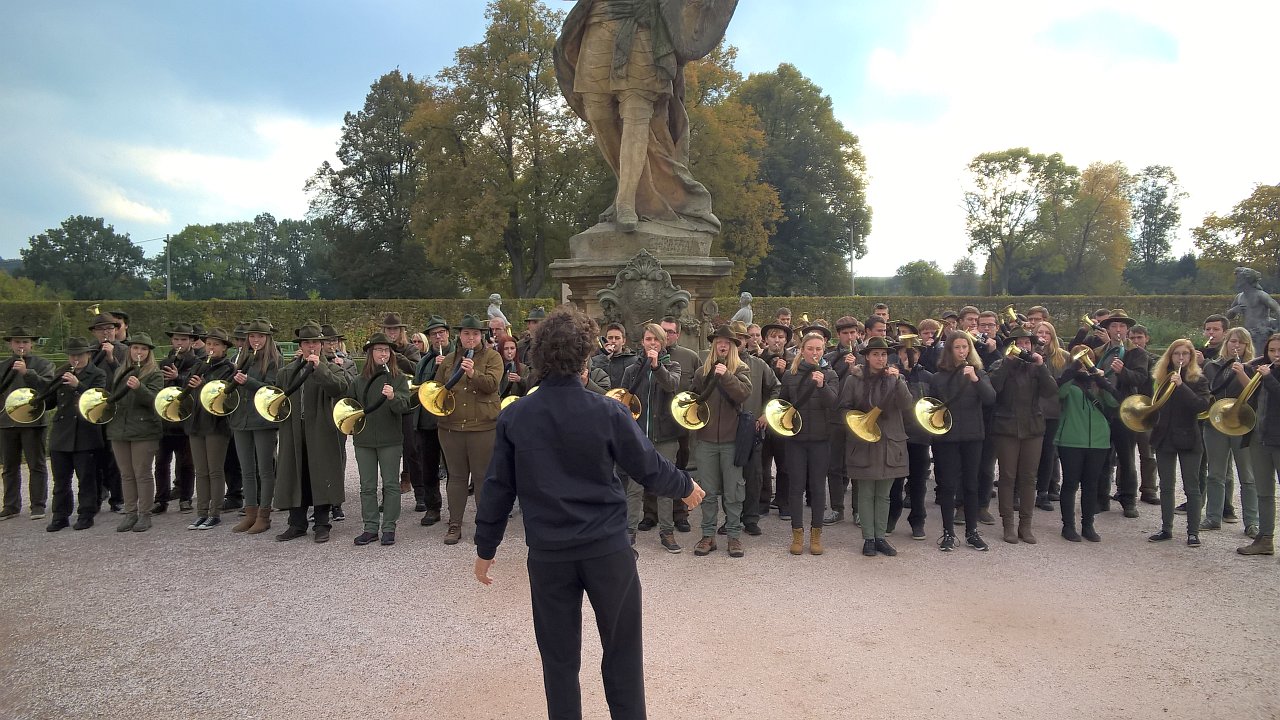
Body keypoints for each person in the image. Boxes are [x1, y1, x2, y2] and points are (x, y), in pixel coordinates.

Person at [473, 306, 703, 720]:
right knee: (623, 654)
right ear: (585, 358)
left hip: (550, 554)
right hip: (606, 550)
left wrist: (485, 547)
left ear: (539, 357)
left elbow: (497, 488)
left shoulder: (515, 416)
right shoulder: (608, 411)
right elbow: (648, 466)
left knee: (559, 662)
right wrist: (685, 486)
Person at [553, 0, 735, 234]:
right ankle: (634, 192)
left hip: (644, 25)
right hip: (599, 20)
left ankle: (627, 201)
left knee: (636, 111)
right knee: (597, 112)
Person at [273, 322, 350, 543]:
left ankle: (322, 524)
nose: (311, 346)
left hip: (321, 429)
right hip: (294, 429)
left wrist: (320, 369)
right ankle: (296, 524)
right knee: (295, 473)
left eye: (315, 342)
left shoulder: (332, 368)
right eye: (307, 343)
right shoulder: (287, 371)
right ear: (301, 345)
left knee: (321, 473)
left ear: (321, 344)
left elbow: (340, 388)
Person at [841, 336, 912, 557]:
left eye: (883, 354)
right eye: (875, 354)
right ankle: (868, 539)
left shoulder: (895, 378)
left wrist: (898, 381)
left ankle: (880, 537)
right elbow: (843, 408)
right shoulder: (854, 380)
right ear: (867, 357)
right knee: (865, 493)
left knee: (884, 495)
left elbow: (907, 404)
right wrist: (858, 424)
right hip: (863, 442)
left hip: (890, 443)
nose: (880, 358)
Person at [436, 314, 503, 545]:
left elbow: (492, 385)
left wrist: (474, 373)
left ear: (481, 336)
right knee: (456, 477)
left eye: (475, 334)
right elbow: (438, 390)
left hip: (482, 427)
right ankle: (455, 524)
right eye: (466, 333)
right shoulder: (449, 360)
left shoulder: (493, 357)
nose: (471, 338)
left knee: (483, 477)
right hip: (451, 427)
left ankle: (484, 526)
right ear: (460, 336)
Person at [927, 332, 996, 551]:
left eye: (965, 347)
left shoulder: (979, 373)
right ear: (950, 350)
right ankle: (948, 532)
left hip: (972, 436)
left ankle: (972, 532)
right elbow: (932, 408)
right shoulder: (938, 377)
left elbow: (990, 399)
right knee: (948, 485)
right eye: (957, 347)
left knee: (971, 485)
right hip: (947, 438)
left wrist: (975, 379)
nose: (961, 351)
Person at [988, 327, 1057, 544]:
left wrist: (1041, 366)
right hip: (1006, 428)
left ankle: (1025, 525)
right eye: (1019, 343)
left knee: (1029, 477)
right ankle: (1008, 524)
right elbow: (994, 389)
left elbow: (1051, 391)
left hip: (1033, 427)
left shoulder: (1037, 367)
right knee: (1007, 477)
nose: (1024, 347)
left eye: (1027, 343)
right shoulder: (1000, 364)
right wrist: (1007, 363)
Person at [618, 323, 683, 552]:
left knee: (665, 486)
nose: (652, 343)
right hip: (638, 437)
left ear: (663, 343)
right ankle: (629, 531)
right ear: (642, 342)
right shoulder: (631, 370)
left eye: (656, 339)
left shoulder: (672, 366)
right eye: (648, 339)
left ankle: (667, 532)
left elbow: (671, 385)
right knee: (635, 487)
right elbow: (624, 400)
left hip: (665, 437)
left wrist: (656, 367)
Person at [691, 325, 751, 558]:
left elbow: (743, 394)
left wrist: (726, 375)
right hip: (705, 441)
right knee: (707, 491)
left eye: (727, 342)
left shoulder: (741, 369)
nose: (722, 345)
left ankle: (734, 536)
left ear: (733, 346)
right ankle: (708, 536)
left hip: (732, 441)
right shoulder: (701, 372)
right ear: (714, 345)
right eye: (719, 342)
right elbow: (693, 399)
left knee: (734, 492)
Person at [348, 332, 411, 547]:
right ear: (371, 353)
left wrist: (393, 397)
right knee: (367, 486)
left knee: (391, 484)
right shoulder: (359, 380)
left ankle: (389, 527)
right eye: (378, 350)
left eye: (386, 350)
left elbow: (405, 406)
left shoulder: (398, 378)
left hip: (390, 440)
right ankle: (370, 528)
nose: (382, 353)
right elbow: (350, 407)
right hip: (364, 440)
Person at [1053, 348, 1121, 542]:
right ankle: (1068, 526)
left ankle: (1088, 525)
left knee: (1091, 485)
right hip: (1071, 439)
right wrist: (1073, 371)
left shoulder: (1098, 380)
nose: (1085, 362)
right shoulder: (1069, 379)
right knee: (1070, 483)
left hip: (1098, 441)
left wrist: (1102, 382)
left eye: (1088, 358)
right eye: (1080, 359)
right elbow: (1060, 393)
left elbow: (1114, 403)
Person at [1148, 339, 1210, 547]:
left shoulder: (1199, 379)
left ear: (1191, 357)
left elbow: (1201, 406)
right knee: (1166, 485)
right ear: (1170, 356)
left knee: (1191, 487)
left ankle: (1193, 532)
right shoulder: (1161, 377)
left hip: (1188, 437)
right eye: (1176, 354)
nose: (1180, 357)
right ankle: (1166, 528)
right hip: (1164, 436)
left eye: (1185, 354)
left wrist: (1182, 386)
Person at [779, 331, 837, 555]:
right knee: (796, 487)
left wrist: (822, 386)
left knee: (818, 488)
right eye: (810, 349)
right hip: (796, 440)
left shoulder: (830, 374)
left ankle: (816, 535)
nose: (814, 353)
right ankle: (797, 534)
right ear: (802, 350)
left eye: (818, 349)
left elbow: (833, 403)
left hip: (821, 440)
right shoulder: (790, 375)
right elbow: (783, 404)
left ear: (824, 351)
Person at [43, 336, 106, 532]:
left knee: (86, 478)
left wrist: (78, 385)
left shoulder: (97, 374)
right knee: (61, 480)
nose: (75, 359)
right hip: (62, 433)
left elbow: (98, 399)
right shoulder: (62, 373)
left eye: (79, 355)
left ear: (88, 355)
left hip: (85, 433)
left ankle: (86, 514)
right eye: (72, 355)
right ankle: (60, 515)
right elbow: (50, 401)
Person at [1200, 327, 1257, 532]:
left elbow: (1256, 393)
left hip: (1242, 424)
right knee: (1215, 473)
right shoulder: (1212, 366)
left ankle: (1252, 522)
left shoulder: (1253, 367)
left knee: (1247, 476)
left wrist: (1241, 373)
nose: (1236, 345)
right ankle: (1213, 518)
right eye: (1233, 341)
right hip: (1215, 423)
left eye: (1241, 342)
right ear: (1227, 343)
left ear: (1247, 346)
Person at [106, 334, 164, 533]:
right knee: (126, 474)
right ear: (129, 350)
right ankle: (130, 513)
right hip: (119, 428)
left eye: (143, 349)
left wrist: (140, 388)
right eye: (135, 348)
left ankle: (145, 514)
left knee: (142, 473)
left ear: (149, 353)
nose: (139, 352)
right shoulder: (120, 371)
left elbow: (156, 401)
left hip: (144, 430)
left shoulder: (155, 373)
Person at [229, 318, 280, 535]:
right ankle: (250, 513)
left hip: (262, 420)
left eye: (260, 336)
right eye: (252, 336)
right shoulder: (240, 358)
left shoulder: (274, 360)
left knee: (265, 470)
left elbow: (273, 389)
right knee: (247, 469)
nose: (255, 340)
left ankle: (264, 515)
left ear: (267, 338)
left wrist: (247, 381)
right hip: (241, 419)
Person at [182, 328, 237, 529]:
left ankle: (215, 512)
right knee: (201, 471)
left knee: (215, 470)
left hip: (216, 424)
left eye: (216, 344)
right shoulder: (198, 365)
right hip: (196, 422)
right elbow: (185, 391)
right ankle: (201, 512)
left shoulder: (228, 368)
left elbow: (225, 396)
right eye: (209, 344)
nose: (211, 348)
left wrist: (205, 385)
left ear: (224, 348)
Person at [0, 326, 54, 521]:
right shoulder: (3, 366)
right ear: (10, 344)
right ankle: (11, 505)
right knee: (9, 467)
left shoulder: (43, 364)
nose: (21, 345)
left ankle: (38, 505)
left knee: (36, 464)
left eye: (25, 342)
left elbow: (48, 388)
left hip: (33, 421)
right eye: (17, 342)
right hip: (7, 422)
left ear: (32, 344)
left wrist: (27, 373)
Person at [1240, 332, 1280, 555]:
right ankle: (1265, 539)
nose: (1275, 355)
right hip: (1260, 437)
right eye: (1271, 351)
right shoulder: (1264, 370)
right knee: (1264, 492)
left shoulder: (1269, 375)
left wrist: (1269, 378)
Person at [155, 322, 202, 514]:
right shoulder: (165, 362)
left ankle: (185, 498)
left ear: (191, 341)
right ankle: (161, 499)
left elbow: (195, 386)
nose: (179, 343)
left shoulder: (197, 362)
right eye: (176, 339)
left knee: (186, 462)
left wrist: (178, 377)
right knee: (161, 462)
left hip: (184, 418)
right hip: (165, 419)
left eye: (183, 339)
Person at [891, 336, 932, 540]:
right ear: (899, 354)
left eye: (914, 352)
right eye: (904, 352)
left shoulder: (928, 377)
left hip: (919, 436)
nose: (909, 355)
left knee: (918, 483)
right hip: (897, 435)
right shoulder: (892, 375)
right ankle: (891, 517)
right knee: (894, 482)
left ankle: (917, 521)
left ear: (919, 354)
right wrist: (899, 377)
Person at [415, 316, 452, 526]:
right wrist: (433, 370)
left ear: (448, 334)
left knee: (454, 468)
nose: (438, 337)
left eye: (441, 333)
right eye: (433, 334)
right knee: (428, 467)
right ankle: (432, 507)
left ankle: (455, 509)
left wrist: (445, 367)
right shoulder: (424, 361)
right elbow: (419, 386)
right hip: (427, 422)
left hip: (450, 419)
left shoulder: (458, 355)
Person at [1033, 322, 1070, 511]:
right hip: (1032, 409)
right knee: (1030, 453)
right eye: (1039, 332)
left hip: (1053, 410)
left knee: (1048, 453)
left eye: (1047, 333)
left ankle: (1043, 492)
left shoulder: (1063, 357)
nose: (1043, 335)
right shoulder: (1030, 354)